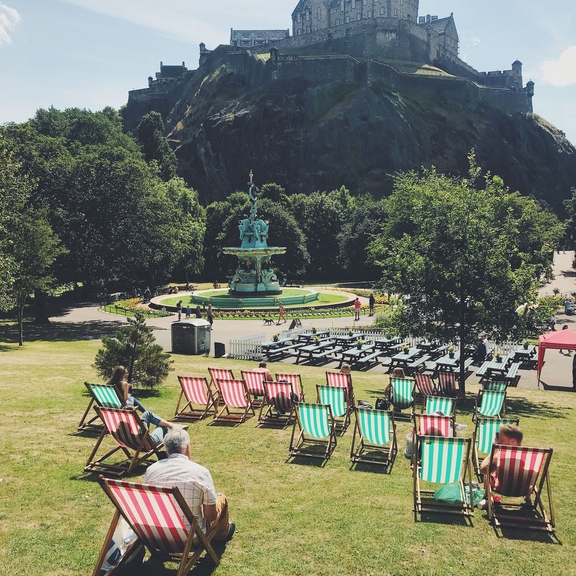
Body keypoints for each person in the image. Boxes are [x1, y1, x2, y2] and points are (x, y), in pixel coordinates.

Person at [144, 428, 235, 542]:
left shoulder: (151, 470)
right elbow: (210, 516)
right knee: (221, 498)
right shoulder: (200, 472)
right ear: (187, 447)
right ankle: (221, 535)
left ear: (167, 450)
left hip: (157, 534)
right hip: (191, 538)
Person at [479, 424, 523, 493]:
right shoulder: (528, 456)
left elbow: (483, 469)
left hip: (501, 488)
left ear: (513, 442)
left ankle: (486, 496)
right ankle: (527, 498)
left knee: (488, 469)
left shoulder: (500, 457)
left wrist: (494, 450)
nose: (499, 441)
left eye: (501, 439)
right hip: (523, 489)